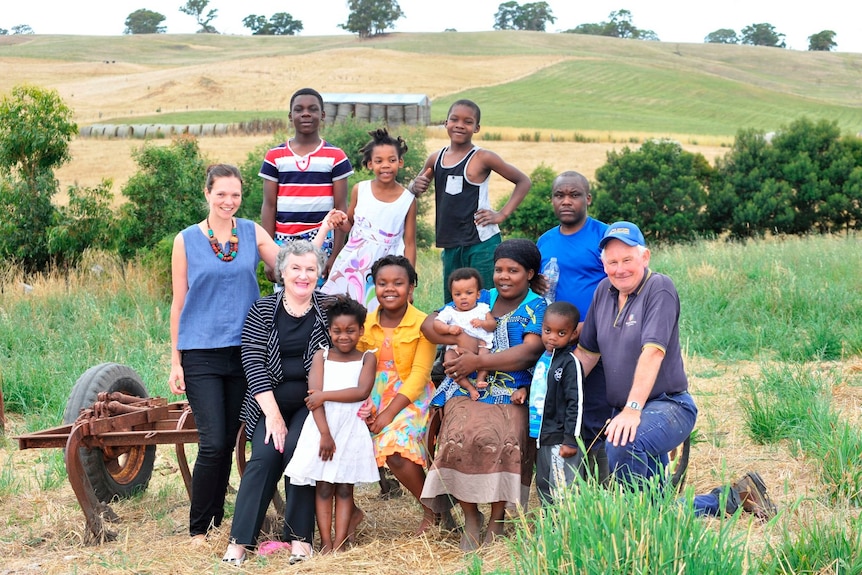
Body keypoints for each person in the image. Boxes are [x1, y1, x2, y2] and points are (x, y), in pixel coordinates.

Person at [573, 221, 777, 519]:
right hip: (628, 413)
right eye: (612, 262)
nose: (620, 269)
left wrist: (631, 410)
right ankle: (736, 498)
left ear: (645, 257)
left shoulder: (660, 287)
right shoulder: (604, 291)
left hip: (668, 406)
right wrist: (553, 393)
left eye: (627, 259)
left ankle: (637, 525)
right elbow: (586, 355)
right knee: (658, 510)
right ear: (603, 264)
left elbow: (652, 353)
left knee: (621, 444)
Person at [168, 163, 280, 545]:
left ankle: (217, 517)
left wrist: (329, 236)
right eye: (221, 194)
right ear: (207, 194)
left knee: (232, 435)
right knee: (213, 441)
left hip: (247, 351)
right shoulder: (186, 240)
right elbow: (178, 303)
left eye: (235, 195)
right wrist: (175, 360)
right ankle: (199, 527)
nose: (228, 201)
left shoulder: (251, 232)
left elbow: (290, 264)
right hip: (201, 351)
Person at [420, 239, 547, 551]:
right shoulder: (480, 297)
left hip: (513, 391)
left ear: (529, 273)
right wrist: (457, 337)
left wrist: (478, 360)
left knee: (503, 438)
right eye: (499, 269)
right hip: (467, 387)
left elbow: (529, 352)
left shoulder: (537, 306)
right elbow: (428, 324)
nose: (504, 276)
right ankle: (471, 516)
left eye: (513, 271)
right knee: (457, 435)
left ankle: (497, 519)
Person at [222, 241, 343, 566]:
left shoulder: (331, 309)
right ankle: (239, 542)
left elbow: (352, 346)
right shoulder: (262, 310)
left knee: (298, 453)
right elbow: (252, 361)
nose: (303, 276)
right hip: (268, 402)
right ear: (282, 272)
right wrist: (273, 417)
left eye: (310, 269)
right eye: (296, 269)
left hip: (312, 402)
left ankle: (300, 539)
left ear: (319, 273)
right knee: (263, 456)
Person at [410, 99, 531, 303]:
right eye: (454, 119)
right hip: (450, 243)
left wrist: (502, 214)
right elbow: (414, 190)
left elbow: (523, 181)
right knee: (453, 302)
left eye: (467, 122)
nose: (459, 125)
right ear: (446, 123)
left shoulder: (483, 157)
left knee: (485, 301)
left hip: (481, 242)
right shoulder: (435, 158)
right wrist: (415, 186)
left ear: (476, 128)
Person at [284, 295, 379, 554]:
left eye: (350, 330)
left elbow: (361, 391)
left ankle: (340, 543)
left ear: (361, 330)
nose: (343, 336)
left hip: (350, 429)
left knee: (345, 488)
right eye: (337, 331)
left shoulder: (367, 358)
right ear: (329, 331)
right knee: (324, 487)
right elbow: (313, 399)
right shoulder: (321, 356)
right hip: (322, 428)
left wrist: (325, 395)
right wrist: (325, 434)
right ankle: (326, 543)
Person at [536, 170, 611, 483]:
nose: (566, 201)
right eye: (559, 195)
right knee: (564, 412)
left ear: (588, 199)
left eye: (574, 195)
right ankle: (569, 485)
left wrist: (587, 325)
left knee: (594, 414)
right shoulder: (545, 241)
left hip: (598, 341)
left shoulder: (604, 236)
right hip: (557, 346)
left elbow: (619, 284)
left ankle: (604, 485)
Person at [357, 255, 437, 534]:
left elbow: (418, 376)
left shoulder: (424, 324)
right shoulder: (364, 323)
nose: (390, 289)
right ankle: (348, 512)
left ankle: (433, 509)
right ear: (374, 287)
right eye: (382, 283)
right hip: (370, 394)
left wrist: (389, 413)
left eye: (398, 283)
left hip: (409, 398)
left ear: (411, 288)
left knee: (395, 448)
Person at [259, 87, 353, 280]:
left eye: (313, 109)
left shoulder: (336, 156)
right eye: (299, 109)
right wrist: (268, 255)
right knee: (287, 300)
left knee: (321, 301)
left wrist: (335, 255)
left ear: (323, 114)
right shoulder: (274, 156)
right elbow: (269, 206)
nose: (306, 114)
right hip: (283, 244)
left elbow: (340, 208)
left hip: (322, 241)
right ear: (290, 116)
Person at [321, 128, 417, 312]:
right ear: (369, 164)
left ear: (401, 162)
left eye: (392, 160)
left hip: (387, 268)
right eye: (379, 161)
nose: (386, 165)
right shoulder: (360, 189)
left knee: (379, 313)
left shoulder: (408, 200)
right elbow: (349, 225)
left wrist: (409, 282)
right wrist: (339, 220)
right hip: (353, 263)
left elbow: (410, 244)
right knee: (342, 311)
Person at [518, 301, 584, 507]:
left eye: (561, 333)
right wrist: (525, 391)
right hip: (542, 437)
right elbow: (543, 389)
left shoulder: (569, 363)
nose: (552, 337)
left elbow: (577, 402)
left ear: (573, 334)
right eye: (548, 331)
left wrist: (570, 440)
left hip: (560, 438)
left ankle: (566, 531)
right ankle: (550, 532)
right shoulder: (544, 358)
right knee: (545, 486)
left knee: (563, 489)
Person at [431, 267, 496, 402]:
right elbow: (437, 324)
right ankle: (469, 387)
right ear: (452, 295)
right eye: (458, 294)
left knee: (486, 355)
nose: (463, 297)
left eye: (469, 293)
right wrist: (448, 329)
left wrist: (482, 323)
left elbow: (492, 325)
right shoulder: (449, 311)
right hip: (456, 348)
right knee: (449, 362)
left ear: (478, 295)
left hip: (480, 346)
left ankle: (480, 379)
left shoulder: (482, 308)